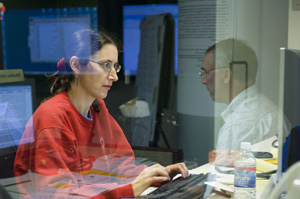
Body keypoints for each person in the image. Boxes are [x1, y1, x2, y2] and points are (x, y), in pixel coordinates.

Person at [14, 28, 188, 199]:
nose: (114, 76)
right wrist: (130, 188)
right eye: (105, 66)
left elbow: (120, 165)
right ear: (76, 65)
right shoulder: (53, 118)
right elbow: (59, 195)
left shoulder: (97, 108)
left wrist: (154, 176)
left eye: (115, 67)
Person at [200, 39, 291, 165]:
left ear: (226, 74)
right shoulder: (272, 111)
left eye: (206, 73)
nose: (203, 81)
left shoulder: (238, 125)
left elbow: (219, 180)